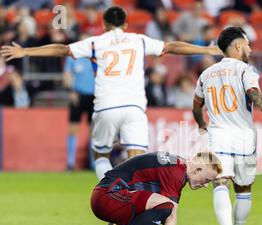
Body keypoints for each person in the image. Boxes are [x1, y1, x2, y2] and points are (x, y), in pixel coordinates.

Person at [0, 6, 222, 182]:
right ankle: (133, 197)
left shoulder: (96, 42)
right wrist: (206, 49)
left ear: (104, 25)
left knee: (101, 155)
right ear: (125, 24)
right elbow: (171, 47)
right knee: (136, 157)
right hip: (135, 107)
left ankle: (112, 192)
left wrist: (25, 51)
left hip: (106, 105)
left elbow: (62, 49)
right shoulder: (139, 40)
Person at [193, 27, 262, 225]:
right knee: (243, 189)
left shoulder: (206, 74)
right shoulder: (246, 70)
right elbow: (255, 95)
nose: (250, 48)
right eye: (247, 44)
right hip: (244, 137)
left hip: (218, 136)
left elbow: (196, 105)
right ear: (237, 46)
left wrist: (201, 124)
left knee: (220, 183)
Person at [90, 151, 222, 225]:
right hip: (108, 197)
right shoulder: (176, 173)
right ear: (198, 169)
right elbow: (171, 215)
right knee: (166, 207)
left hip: (107, 195)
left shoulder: (177, 165)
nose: (205, 185)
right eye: (207, 180)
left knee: (163, 206)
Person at [63, 34, 96, 171]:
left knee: (94, 131)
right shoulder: (73, 57)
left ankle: (93, 164)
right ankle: (70, 163)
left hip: (94, 97)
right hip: (77, 95)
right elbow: (67, 75)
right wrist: (70, 90)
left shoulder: (96, 58)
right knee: (72, 129)